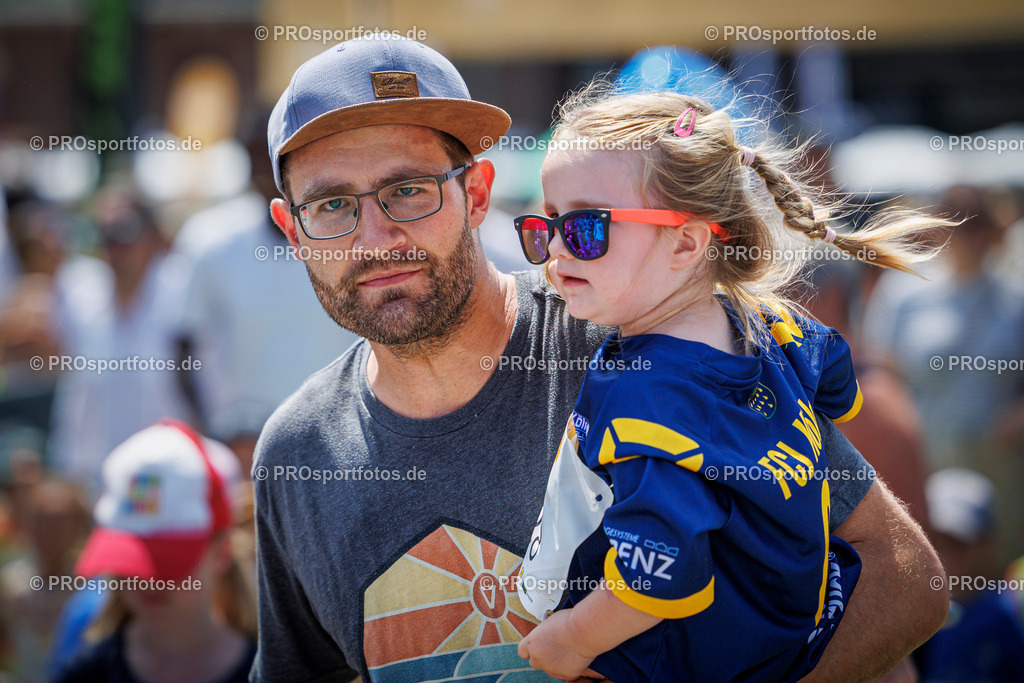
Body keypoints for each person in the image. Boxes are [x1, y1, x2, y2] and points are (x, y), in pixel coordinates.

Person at [252, 37, 949, 682]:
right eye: (331, 204)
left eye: (408, 189)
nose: (377, 236)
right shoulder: (295, 452)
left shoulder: (653, 331)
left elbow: (905, 579)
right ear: (291, 230)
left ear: (477, 194)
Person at [512, 87, 952, 681]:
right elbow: (839, 388)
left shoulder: (645, 394)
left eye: (587, 227)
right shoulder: (772, 325)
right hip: (804, 632)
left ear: (687, 242)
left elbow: (661, 572)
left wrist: (571, 639)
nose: (557, 249)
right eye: (545, 225)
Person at [55, 420, 256, 683]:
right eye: (132, 558)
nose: (149, 578)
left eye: (168, 560)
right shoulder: (85, 673)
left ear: (221, 553)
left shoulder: (269, 672)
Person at [914, 469, 1024, 681]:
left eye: (957, 544)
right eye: (934, 540)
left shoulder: (1008, 614)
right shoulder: (915, 615)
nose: (943, 554)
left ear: (987, 544)